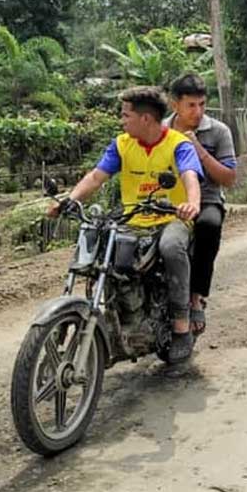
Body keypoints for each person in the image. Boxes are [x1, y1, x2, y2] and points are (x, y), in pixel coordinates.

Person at [49, 86, 204, 362]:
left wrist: (191, 203)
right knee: (102, 250)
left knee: (171, 247)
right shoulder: (122, 144)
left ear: (145, 119)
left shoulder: (178, 144)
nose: (122, 121)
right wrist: (68, 200)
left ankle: (181, 325)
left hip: (170, 219)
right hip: (131, 220)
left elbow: (190, 175)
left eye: (126, 115)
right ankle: (116, 319)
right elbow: (97, 176)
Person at [164, 73, 238, 336]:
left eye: (202, 104)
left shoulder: (218, 131)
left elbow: (229, 178)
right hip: (167, 202)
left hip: (206, 199)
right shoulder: (160, 131)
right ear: (175, 105)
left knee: (209, 225)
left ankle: (195, 297)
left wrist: (199, 150)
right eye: (191, 106)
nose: (197, 112)